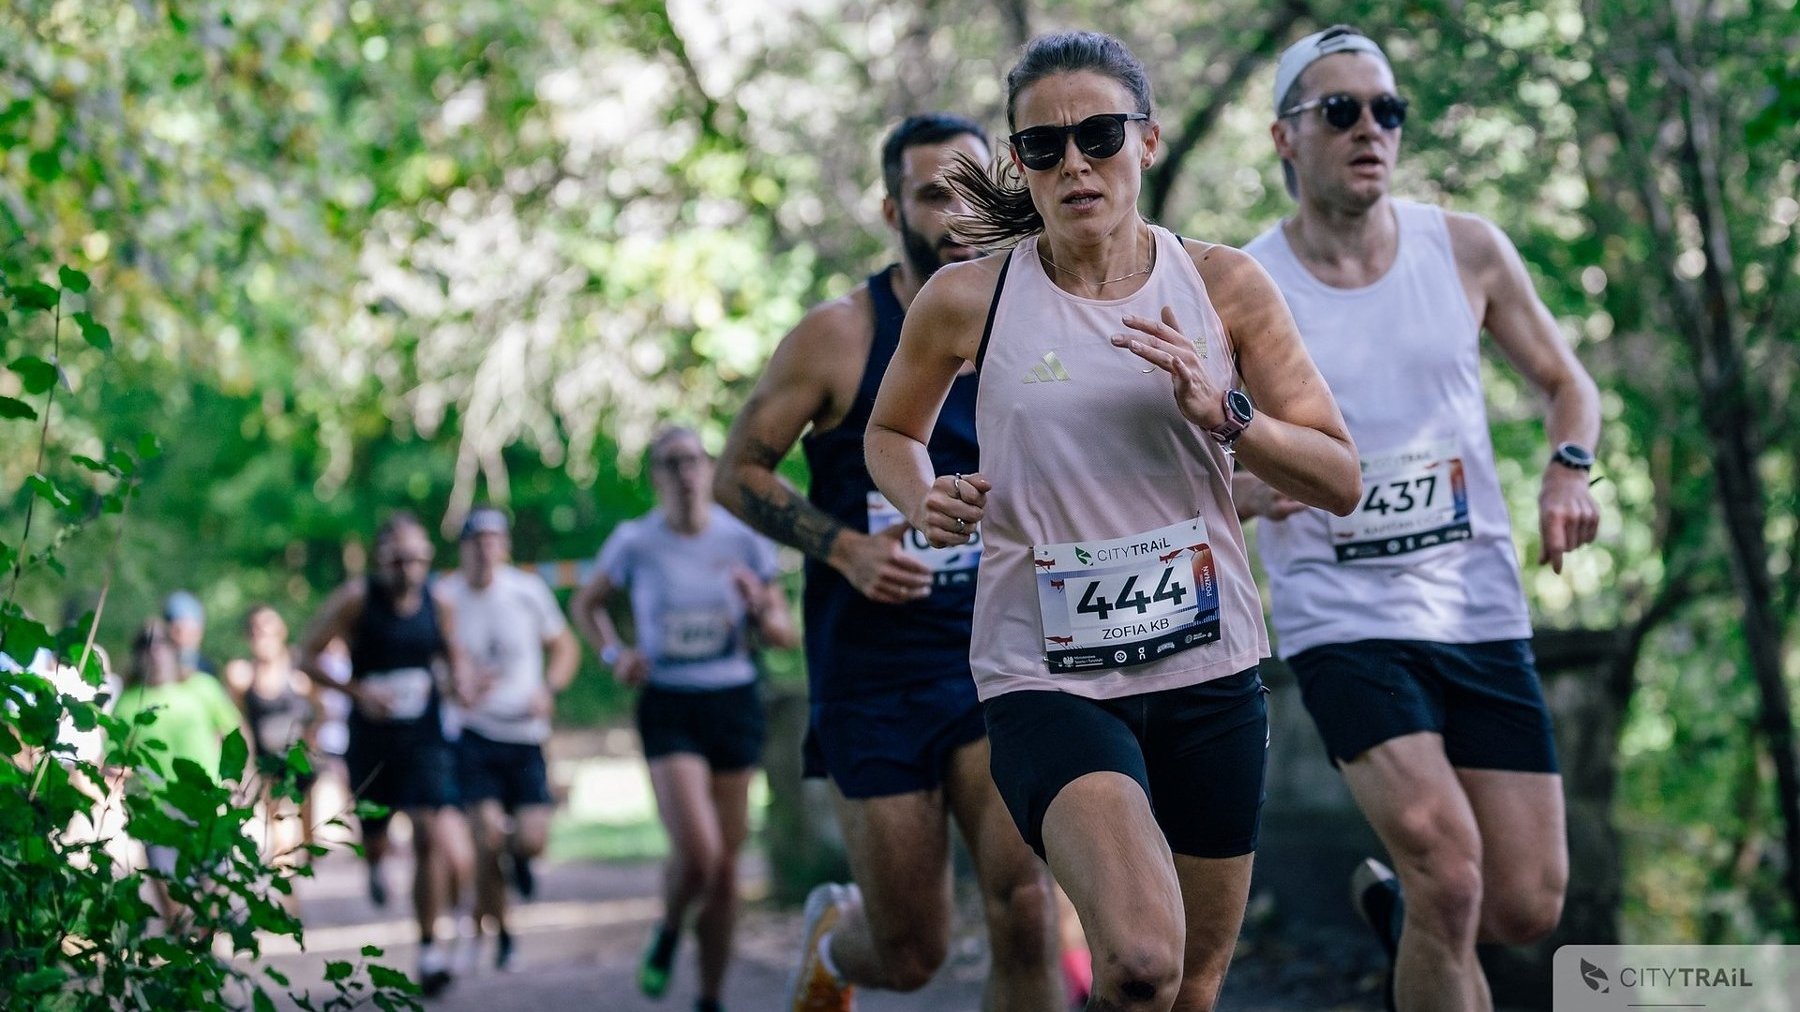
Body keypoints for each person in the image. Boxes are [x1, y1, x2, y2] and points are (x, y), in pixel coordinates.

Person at [865, 31, 1361, 1012]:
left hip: (1208, 670)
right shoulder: (967, 298)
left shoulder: (1222, 285)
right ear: (1018, 165)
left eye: (1098, 134)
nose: (1075, 163)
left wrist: (1225, 413)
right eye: (1044, 147)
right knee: (1139, 962)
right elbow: (890, 432)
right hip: (1047, 677)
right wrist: (925, 496)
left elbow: (1339, 476)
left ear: (1149, 140)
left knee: (1195, 986)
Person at [1236, 25, 1601, 1012]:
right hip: (1342, 614)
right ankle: (1426, 908)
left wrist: (1570, 469)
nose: (1370, 128)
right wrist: (1257, 484)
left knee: (1525, 904)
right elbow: (1187, 480)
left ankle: (1405, 921)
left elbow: (1569, 385)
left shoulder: (1466, 249)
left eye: (1387, 109)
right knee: (1454, 870)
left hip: (1473, 606)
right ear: (1285, 137)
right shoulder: (1243, 283)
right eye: (1340, 110)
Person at [714, 112, 1063, 1011]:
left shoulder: (1035, 315)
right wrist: (845, 550)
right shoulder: (837, 336)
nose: (955, 212)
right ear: (890, 208)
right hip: (872, 676)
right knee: (912, 954)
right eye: (930, 193)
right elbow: (736, 473)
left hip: (1002, 658)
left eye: (970, 186)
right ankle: (839, 942)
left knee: (1027, 910)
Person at [571, 427, 797, 1012]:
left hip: (733, 701)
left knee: (724, 875)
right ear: (656, 476)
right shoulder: (635, 541)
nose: (685, 474)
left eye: (694, 460)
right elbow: (586, 603)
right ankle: (671, 925)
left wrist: (759, 609)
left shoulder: (743, 537)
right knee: (700, 854)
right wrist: (614, 655)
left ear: (709, 466)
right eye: (671, 464)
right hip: (669, 703)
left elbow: (783, 632)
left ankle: (710, 995)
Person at [295, 512, 477, 996]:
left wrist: (461, 680)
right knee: (376, 835)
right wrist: (357, 693)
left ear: (428, 559)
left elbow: (451, 653)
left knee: (429, 833)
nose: (408, 568)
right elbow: (305, 656)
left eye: (417, 558)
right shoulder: (356, 600)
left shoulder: (439, 603)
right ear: (381, 559)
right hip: (372, 738)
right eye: (398, 559)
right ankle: (374, 863)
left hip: (424, 737)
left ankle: (429, 947)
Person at [439, 505, 581, 972]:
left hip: (524, 734)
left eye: (493, 539)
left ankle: (522, 860)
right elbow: (429, 656)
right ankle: (503, 934)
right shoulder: (445, 597)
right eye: (476, 540)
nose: (485, 548)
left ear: (505, 545)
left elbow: (565, 647)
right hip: (472, 733)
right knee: (486, 838)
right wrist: (450, 684)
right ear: (462, 547)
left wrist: (549, 689)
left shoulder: (528, 591)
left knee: (531, 840)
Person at [108, 618, 247, 931]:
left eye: (162, 643)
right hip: (154, 809)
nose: (155, 651)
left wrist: (236, 779)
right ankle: (186, 950)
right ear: (137, 654)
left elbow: (234, 734)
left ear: (174, 649)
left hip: (204, 800)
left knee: (212, 880)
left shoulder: (202, 687)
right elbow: (112, 757)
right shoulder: (128, 703)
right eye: (146, 644)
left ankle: (205, 949)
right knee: (169, 886)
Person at [224, 604, 320, 862]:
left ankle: (305, 867)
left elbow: (319, 710)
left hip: (300, 760)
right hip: (267, 761)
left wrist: (313, 739)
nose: (261, 636)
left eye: (267, 629)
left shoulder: (299, 675)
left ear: (281, 632)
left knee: (306, 831)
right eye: (255, 631)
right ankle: (285, 879)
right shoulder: (242, 677)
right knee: (277, 831)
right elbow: (235, 720)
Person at [163, 590, 216, 679]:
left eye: (191, 633)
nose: (184, 639)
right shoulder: (155, 669)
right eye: (178, 631)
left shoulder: (207, 669)